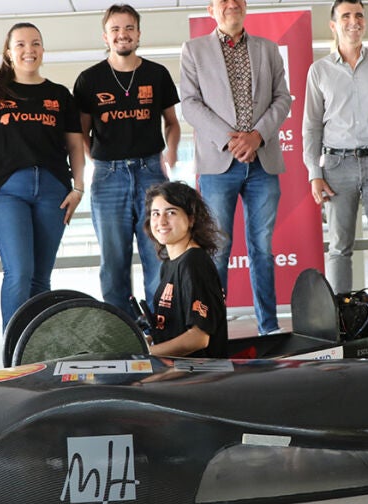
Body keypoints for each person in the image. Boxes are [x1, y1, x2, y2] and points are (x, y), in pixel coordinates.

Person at [179, 0, 292, 335]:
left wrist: (257, 136)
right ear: (211, 10)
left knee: (262, 249)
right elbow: (190, 103)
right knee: (217, 250)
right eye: (223, 0)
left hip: (263, 162)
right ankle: (215, 332)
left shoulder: (268, 49)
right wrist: (230, 141)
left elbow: (282, 98)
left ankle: (269, 328)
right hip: (219, 164)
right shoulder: (194, 50)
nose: (232, 4)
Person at [302, 0, 368, 310]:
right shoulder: (319, 71)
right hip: (336, 166)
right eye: (346, 16)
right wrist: (314, 173)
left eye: (359, 15)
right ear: (333, 25)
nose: (354, 21)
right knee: (339, 247)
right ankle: (342, 317)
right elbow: (311, 126)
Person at [73, 5, 181, 316]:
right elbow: (81, 131)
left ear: (138, 34)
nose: (123, 34)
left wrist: (171, 151)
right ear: (105, 37)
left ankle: (160, 328)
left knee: (157, 254)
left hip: (151, 173)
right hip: (108, 178)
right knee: (113, 261)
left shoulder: (157, 74)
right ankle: (121, 329)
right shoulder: (89, 79)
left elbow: (172, 123)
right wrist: (100, 160)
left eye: (129, 28)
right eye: (116, 29)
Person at [0, 23, 86, 330]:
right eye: (21, 44)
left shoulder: (59, 95)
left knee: (41, 276)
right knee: (19, 271)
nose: (29, 50)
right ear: (8, 52)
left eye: (35, 43)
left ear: (43, 49)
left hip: (53, 191)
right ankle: (13, 348)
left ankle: (37, 346)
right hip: (6, 192)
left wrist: (79, 188)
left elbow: (75, 145)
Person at [143, 182, 229, 357]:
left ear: (191, 219)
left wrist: (146, 354)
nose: (161, 221)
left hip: (199, 370)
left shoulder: (194, 262)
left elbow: (198, 338)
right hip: (174, 365)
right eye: (156, 213)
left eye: (171, 212)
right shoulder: (169, 264)